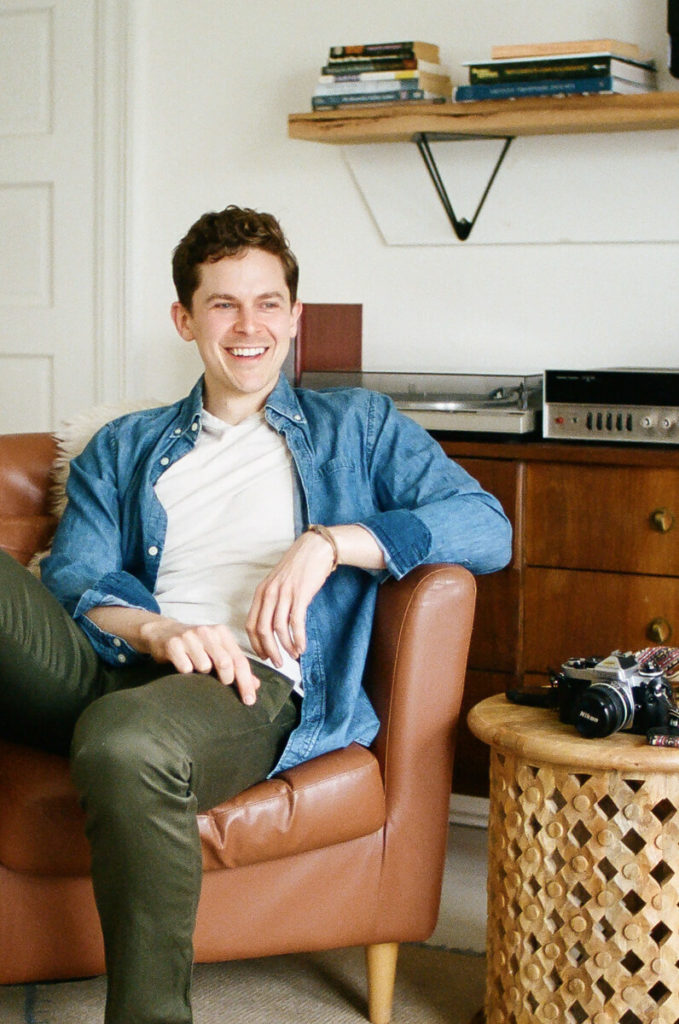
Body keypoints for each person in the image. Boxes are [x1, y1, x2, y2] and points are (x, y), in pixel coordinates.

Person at [0, 205, 512, 1024]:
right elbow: (77, 578)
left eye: (268, 303)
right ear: (184, 318)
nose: (249, 326)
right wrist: (157, 627)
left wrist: (330, 542)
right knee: (106, 700)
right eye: (223, 304)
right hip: (119, 660)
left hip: (246, 683)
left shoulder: (358, 427)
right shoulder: (126, 446)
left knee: (126, 739)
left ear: (294, 316)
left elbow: (486, 526)